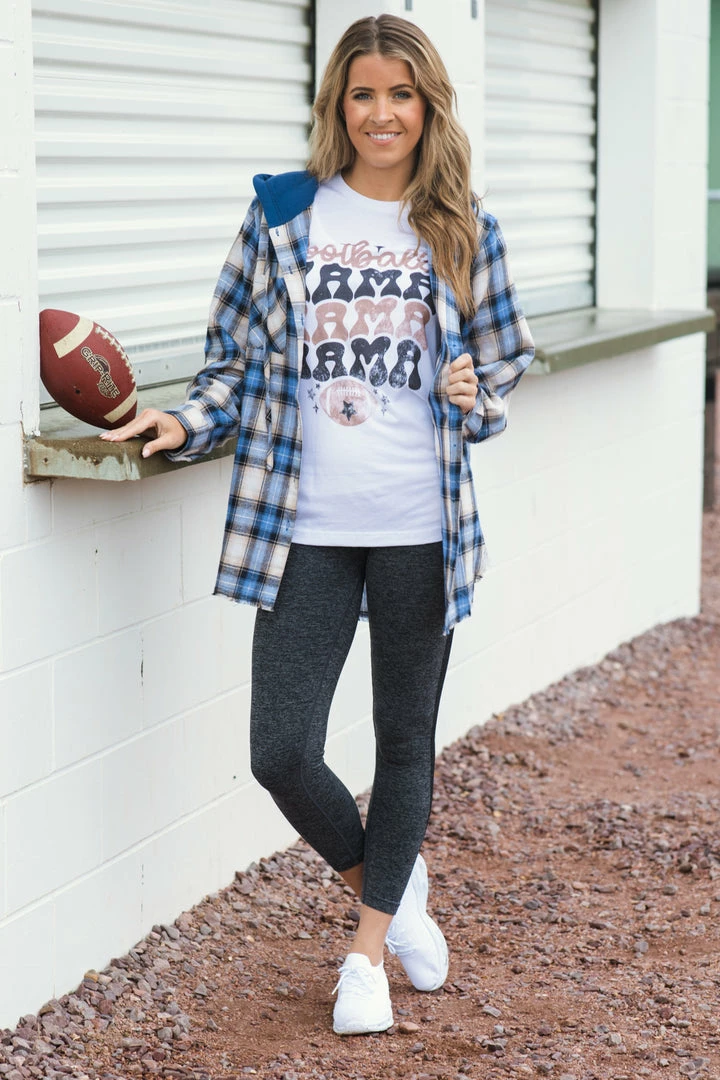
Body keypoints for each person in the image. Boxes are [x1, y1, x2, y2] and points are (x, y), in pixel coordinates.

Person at [102, 13, 534, 1036]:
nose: (382, 113)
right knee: (281, 749)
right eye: (363, 93)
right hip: (303, 527)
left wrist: (474, 394)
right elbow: (232, 362)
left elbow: (505, 359)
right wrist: (182, 422)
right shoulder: (284, 214)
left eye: (401, 94)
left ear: (428, 106)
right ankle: (394, 890)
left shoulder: (462, 224)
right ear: (338, 105)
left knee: (403, 740)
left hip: (421, 524)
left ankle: (366, 954)